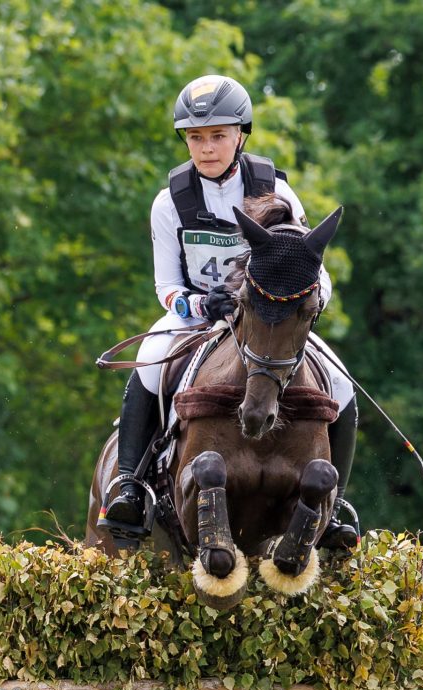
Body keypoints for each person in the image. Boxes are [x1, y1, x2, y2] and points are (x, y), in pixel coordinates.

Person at [101, 74, 359, 547]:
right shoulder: (169, 201)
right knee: (149, 367)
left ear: (241, 135)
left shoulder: (277, 190)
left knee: (340, 381)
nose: (206, 148)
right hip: (197, 314)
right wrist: (199, 303)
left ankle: (335, 503)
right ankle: (130, 485)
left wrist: (310, 299)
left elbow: (308, 265)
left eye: (217, 135)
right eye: (196, 137)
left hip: (267, 316)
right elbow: (165, 286)